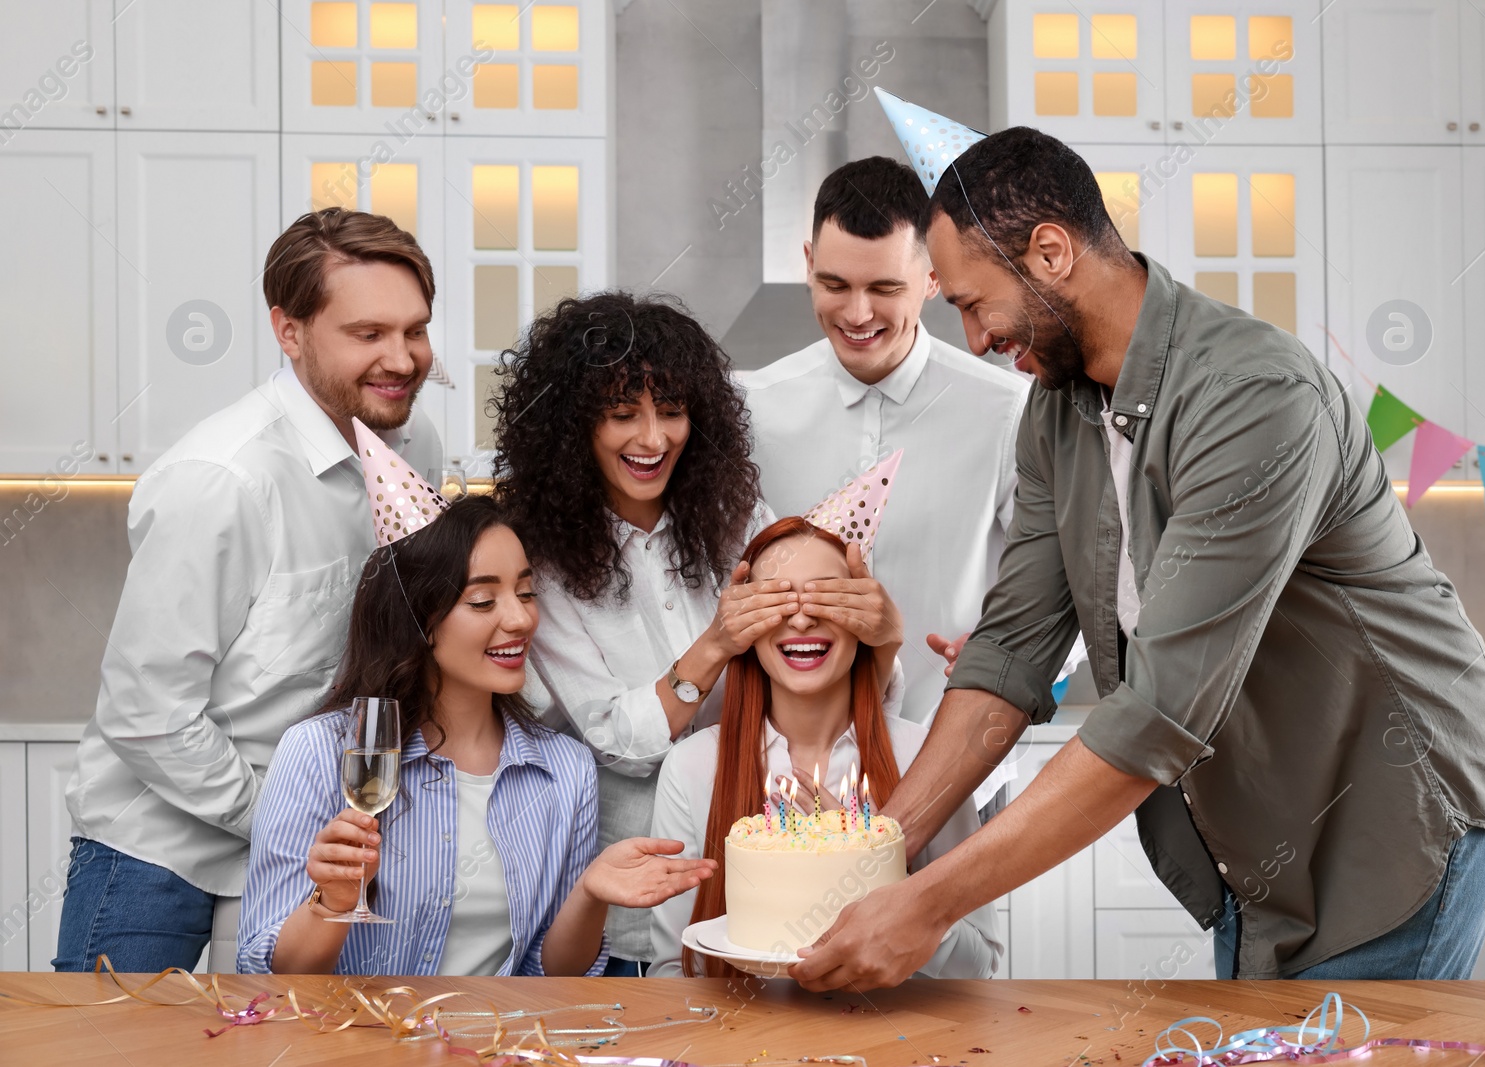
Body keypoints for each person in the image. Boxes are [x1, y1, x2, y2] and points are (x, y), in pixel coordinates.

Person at [789, 109, 1485, 988]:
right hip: (1261, 846)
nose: (977, 340)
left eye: (970, 302)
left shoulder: (1254, 397)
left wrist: (928, 904)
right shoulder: (1058, 412)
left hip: (1397, 817)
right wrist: (882, 844)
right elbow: (1009, 652)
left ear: (1050, 253)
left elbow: (1158, 713)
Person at [56, 208, 444, 972]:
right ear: (289, 330)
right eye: (368, 334)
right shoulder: (220, 481)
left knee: (287, 1045)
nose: (402, 358)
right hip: (158, 844)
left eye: (416, 330)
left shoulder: (414, 441)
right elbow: (145, 712)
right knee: (110, 1051)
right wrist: (285, 816)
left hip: (319, 837)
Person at [492, 292, 908, 975]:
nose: (653, 439)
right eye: (623, 415)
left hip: (771, 869)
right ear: (571, 428)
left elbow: (819, 673)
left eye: (673, 412)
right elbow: (617, 739)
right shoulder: (541, 563)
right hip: (635, 889)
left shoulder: (735, 514)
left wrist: (882, 638)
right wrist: (716, 644)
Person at [238, 472, 715, 976]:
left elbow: (553, 977)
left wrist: (591, 893)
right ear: (416, 617)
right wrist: (332, 903)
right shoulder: (319, 752)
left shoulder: (564, 769)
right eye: (483, 601)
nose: (520, 620)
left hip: (499, 1047)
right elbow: (265, 974)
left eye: (527, 593)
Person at [741, 157, 1037, 738]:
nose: (857, 314)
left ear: (933, 278)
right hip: (789, 766)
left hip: (959, 753)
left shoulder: (1008, 412)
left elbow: (1067, 584)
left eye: (884, 288)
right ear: (807, 264)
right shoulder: (749, 409)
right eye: (835, 285)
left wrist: (1012, 653)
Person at [648, 516, 1002, 978]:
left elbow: (980, 967)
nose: (801, 617)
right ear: (744, 627)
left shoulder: (927, 756)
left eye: (827, 597)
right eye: (776, 600)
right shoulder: (694, 767)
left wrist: (880, 875)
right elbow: (673, 971)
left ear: (866, 620)